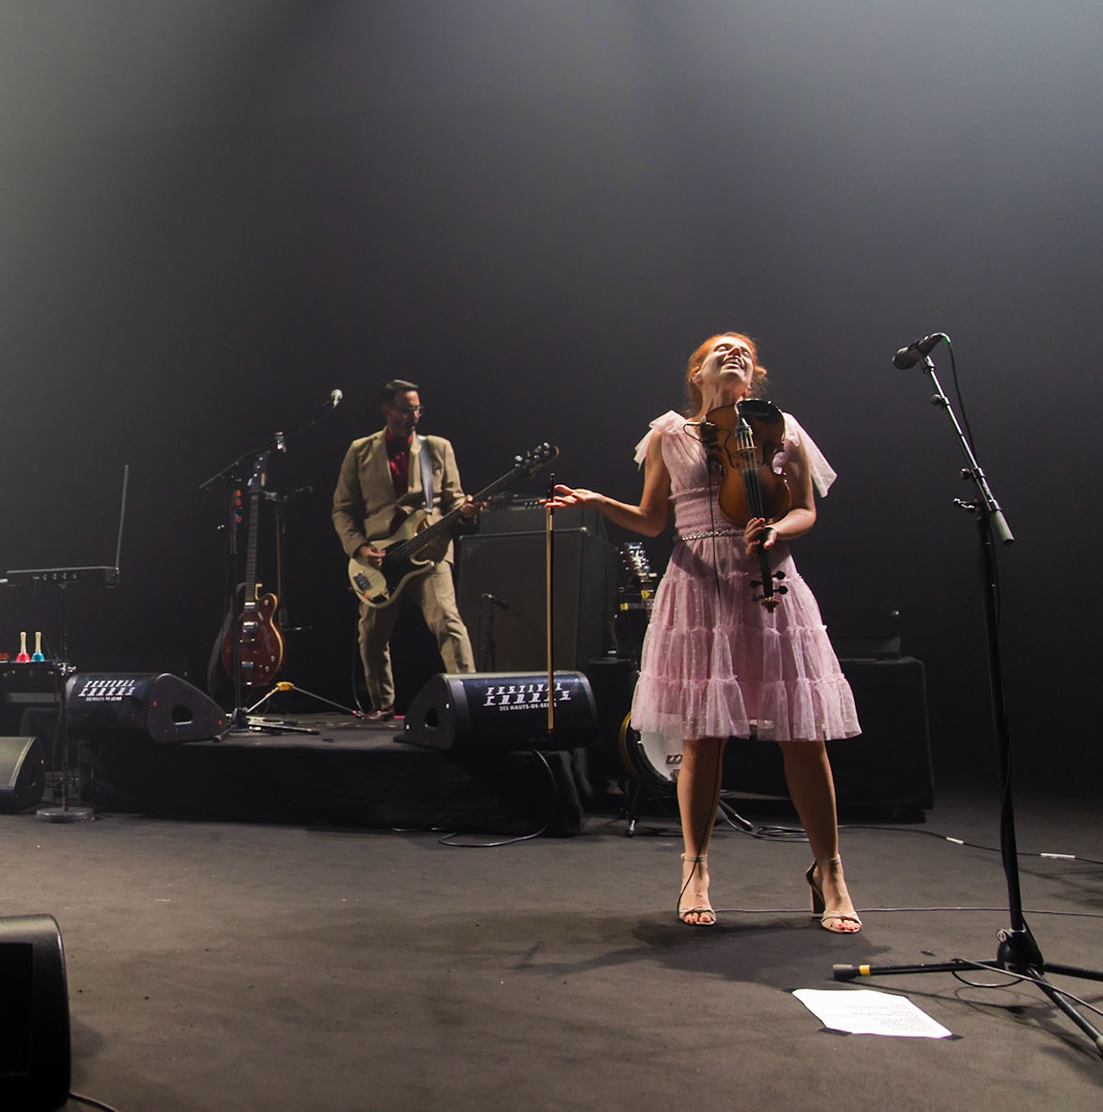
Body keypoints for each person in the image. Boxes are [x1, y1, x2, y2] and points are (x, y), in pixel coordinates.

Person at [545, 333, 861, 932]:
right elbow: (652, 520)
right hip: (697, 586)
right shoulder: (669, 435)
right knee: (701, 737)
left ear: (754, 374)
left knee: (803, 735)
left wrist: (778, 530)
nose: (736, 354)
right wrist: (596, 502)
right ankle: (695, 868)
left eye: (745, 351)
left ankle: (831, 870)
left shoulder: (780, 428)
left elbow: (805, 508)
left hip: (768, 580)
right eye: (723, 349)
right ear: (698, 372)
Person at [332, 379, 480, 721]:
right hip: (380, 559)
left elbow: (454, 499)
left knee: (448, 621)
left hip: (430, 552)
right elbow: (342, 509)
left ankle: (469, 699)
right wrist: (359, 549)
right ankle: (382, 705)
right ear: (387, 411)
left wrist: (467, 510)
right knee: (370, 636)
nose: (413, 416)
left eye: (417, 409)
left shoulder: (438, 448)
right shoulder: (360, 450)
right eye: (406, 409)